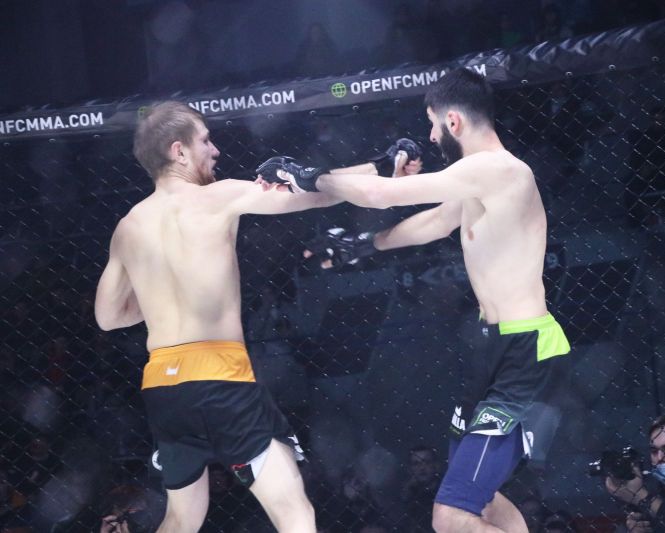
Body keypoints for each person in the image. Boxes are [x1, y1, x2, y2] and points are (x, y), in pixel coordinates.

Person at [260, 67, 571, 533]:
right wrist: (365, 245)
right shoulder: (481, 181)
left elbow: (379, 192)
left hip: (524, 353)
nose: (430, 136)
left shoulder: (499, 170)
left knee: (451, 516)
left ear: (453, 121)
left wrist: (308, 177)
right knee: (483, 501)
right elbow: (436, 223)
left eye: (432, 124)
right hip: (493, 349)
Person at [94, 101, 347, 533]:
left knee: (182, 518)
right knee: (294, 512)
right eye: (205, 141)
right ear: (178, 151)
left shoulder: (129, 226)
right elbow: (314, 194)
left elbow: (107, 316)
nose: (215, 151)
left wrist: (157, 297)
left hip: (164, 388)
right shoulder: (218, 196)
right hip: (219, 377)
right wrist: (379, 173)